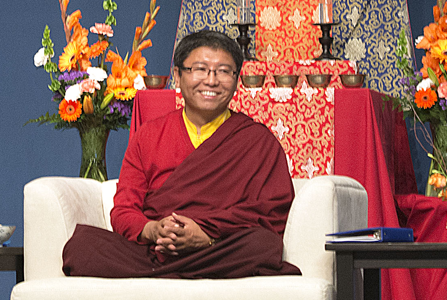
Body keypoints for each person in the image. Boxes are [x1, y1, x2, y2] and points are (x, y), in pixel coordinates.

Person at [62, 30, 301, 279]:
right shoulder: (149, 135)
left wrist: (207, 236)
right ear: (177, 75)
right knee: (81, 248)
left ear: (236, 79)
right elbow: (123, 210)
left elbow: (273, 213)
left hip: (218, 246)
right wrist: (154, 230)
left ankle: (162, 272)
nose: (211, 80)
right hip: (159, 248)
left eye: (223, 71)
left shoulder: (257, 140)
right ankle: (179, 269)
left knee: (261, 245)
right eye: (200, 69)